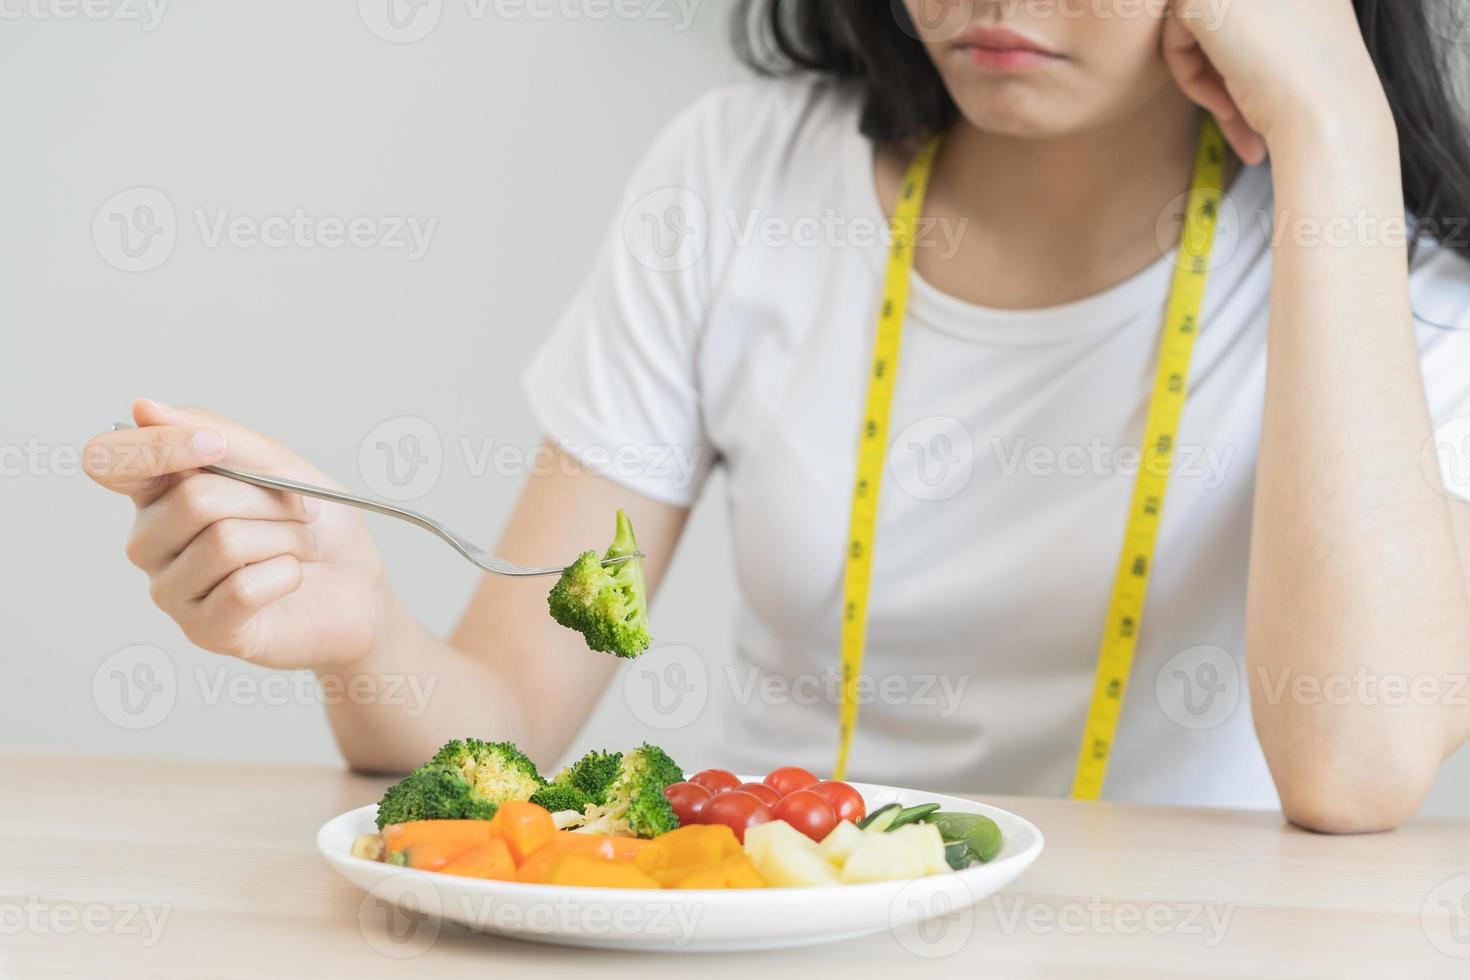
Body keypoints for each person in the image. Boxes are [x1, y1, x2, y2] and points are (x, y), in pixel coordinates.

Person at [83, 0, 1470, 833]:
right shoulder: (738, 179)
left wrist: (1337, 129)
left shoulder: (1382, 276)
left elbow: (1357, 770)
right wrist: (359, 633)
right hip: (779, 929)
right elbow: (499, 731)